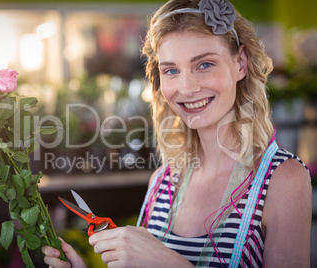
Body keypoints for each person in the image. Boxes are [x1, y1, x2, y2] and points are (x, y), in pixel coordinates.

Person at [42, 0, 312, 267]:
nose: (186, 87)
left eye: (204, 64)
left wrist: (166, 260)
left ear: (240, 63)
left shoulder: (283, 179)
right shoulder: (163, 182)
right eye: (171, 70)